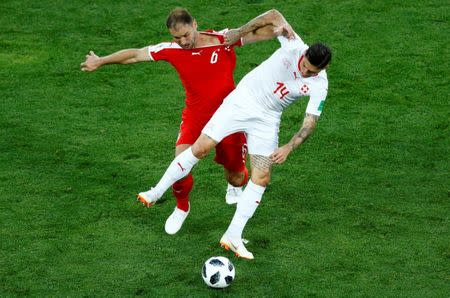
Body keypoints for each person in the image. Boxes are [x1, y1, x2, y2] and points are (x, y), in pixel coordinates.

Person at [80, 8, 294, 235]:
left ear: (195, 24)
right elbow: (135, 54)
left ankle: (233, 187)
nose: (182, 41)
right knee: (180, 167)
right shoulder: (170, 50)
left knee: (238, 176)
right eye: (176, 37)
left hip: (231, 117)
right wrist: (101, 61)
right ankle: (182, 208)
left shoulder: (223, 40)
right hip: (196, 118)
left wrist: (278, 29)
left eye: (185, 35)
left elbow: (268, 30)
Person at [137, 11, 332, 260]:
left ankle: (233, 235)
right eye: (305, 67)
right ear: (304, 55)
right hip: (241, 101)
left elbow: (310, 122)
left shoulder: (320, 85)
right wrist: (239, 32)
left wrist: (288, 147)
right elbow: (273, 14)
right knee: (200, 148)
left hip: (267, 119)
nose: (305, 73)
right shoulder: (294, 44)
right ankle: (156, 192)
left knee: (261, 177)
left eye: (312, 72)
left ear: (322, 70)